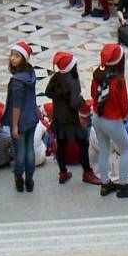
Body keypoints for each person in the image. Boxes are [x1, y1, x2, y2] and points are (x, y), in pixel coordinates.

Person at [91, 44, 128, 198]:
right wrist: (123, 115)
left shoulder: (97, 76)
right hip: (112, 121)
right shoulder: (119, 81)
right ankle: (123, 186)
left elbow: (93, 95)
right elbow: (124, 106)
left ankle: (105, 184)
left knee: (104, 149)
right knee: (127, 149)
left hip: (96, 118)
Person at [45, 52, 102, 185]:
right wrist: (82, 102)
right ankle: (87, 173)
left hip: (58, 119)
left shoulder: (56, 77)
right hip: (70, 120)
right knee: (83, 144)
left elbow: (48, 92)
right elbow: (75, 102)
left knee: (62, 146)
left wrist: (59, 97)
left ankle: (63, 173)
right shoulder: (72, 81)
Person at [2, 42, 39, 193]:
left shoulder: (17, 81)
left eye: (17, 56)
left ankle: (19, 177)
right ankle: (30, 178)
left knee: (20, 152)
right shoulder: (31, 74)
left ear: (24, 59)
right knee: (30, 149)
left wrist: (15, 125)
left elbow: (16, 106)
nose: (12, 58)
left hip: (21, 121)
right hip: (32, 117)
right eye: (12, 55)